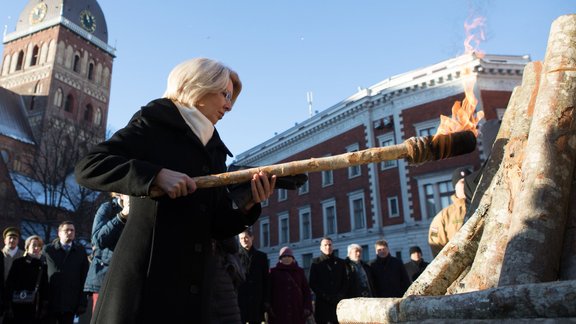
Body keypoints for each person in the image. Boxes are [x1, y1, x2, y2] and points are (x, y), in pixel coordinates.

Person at [74, 57, 276, 324]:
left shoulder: (214, 149)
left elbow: (215, 223)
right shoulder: (154, 123)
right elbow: (89, 166)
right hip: (145, 281)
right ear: (198, 86)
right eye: (224, 94)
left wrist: (249, 204)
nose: (229, 105)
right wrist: (154, 176)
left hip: (192, 287)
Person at [83, 193, 129, 312]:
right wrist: (122, 216)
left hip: (127, 278)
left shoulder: (141, 211)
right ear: (121, 194)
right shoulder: (108, 208)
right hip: (105, 277)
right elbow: (98, 240)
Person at [43, 221, 89, 324]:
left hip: (71, 303)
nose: (70, 232)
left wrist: (82, 302)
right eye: (66, 230)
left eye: (72, 230)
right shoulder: (49, 250)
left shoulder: (80, 251)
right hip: (51, 301)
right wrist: (43, 299)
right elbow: (42, 276)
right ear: (59, 233)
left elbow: (84, 277)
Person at [428, 167, 472, 257]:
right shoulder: (443, 217)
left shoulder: (484, 204)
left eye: (468, 182)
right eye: (462, 182)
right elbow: (436, 244)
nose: (465, 185)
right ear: (455, 187)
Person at [5, 235, 49, 323]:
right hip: (16, 304)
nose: (36, 248)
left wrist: (44, 306)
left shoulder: (43, 265)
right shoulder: (18, 263)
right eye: (34, 245)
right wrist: (8, 305)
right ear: (27, 247)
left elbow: (44, 288)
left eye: (39, 246)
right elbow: (9, 284)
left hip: (34, 307)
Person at [268, 247, 313, 324]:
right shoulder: (273, 272)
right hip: (279, 310)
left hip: (297, 310)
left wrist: (307, 307)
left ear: (293, 258)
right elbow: (269, 291)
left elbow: (306, 291)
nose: (287, 258)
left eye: (289, 256)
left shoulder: (299, 271)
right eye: (284, 256)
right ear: (280, 258)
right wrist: (269, 307)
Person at [309, 237, 347, 324]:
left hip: (338, 303)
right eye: (325, 245)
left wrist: (340, 295)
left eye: (330, 245)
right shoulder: (316, 263)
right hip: (322, 303)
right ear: (321, 247)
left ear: (333, 246)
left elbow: (345, 281)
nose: (328, 247)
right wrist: (325, 296)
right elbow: (312, 283)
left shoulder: (340, 262)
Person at [237, 229, 269, 324]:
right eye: (241, 238)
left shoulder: (261, 257)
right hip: (241, 299)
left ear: (252, 237)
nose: (244, 240)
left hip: (256, 300)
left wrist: (266, 300)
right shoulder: (236, 257)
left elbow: (266, 279)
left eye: (246, 237)